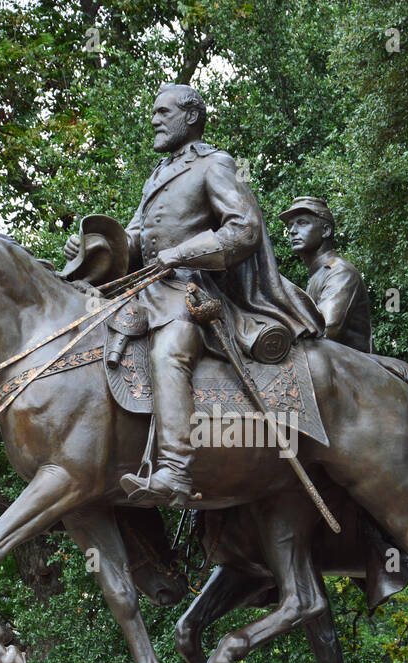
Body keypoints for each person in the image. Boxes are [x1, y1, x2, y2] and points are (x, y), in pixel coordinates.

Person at [64, 84, 322, 508]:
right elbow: (134, 240)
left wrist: (181, 253)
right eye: (153, 112)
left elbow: (243, 229)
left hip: (189, 292)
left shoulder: (215, 164)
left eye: (163, 112)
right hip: (144, 291)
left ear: (190, 117)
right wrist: (94, 246)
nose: (153, 119)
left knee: (169, 353)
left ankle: (175, 472)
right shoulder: (158, 174)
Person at [280, 197, 373, 353]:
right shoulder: (318, 274)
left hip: (350, 370)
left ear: (325, 230)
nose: (293, 230)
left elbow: (324, 331)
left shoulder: (340, 272)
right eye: (290, 225)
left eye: (302, 223)